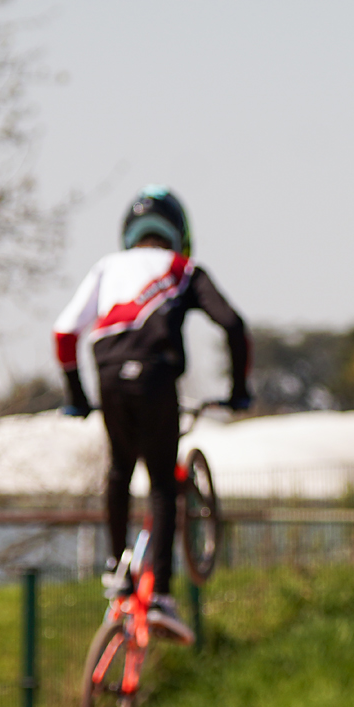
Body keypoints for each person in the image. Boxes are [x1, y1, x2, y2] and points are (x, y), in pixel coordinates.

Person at [55, 186, 251, 643]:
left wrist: (76, 395)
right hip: (156, 378)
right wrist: (239, 390)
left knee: (121, 468)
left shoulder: (106, 267)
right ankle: (161, 596)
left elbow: (65, 332)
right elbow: (233, 325)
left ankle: (115, 566)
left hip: (107, 375)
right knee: (163, 483)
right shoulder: (183, 269)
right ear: (180, 234)